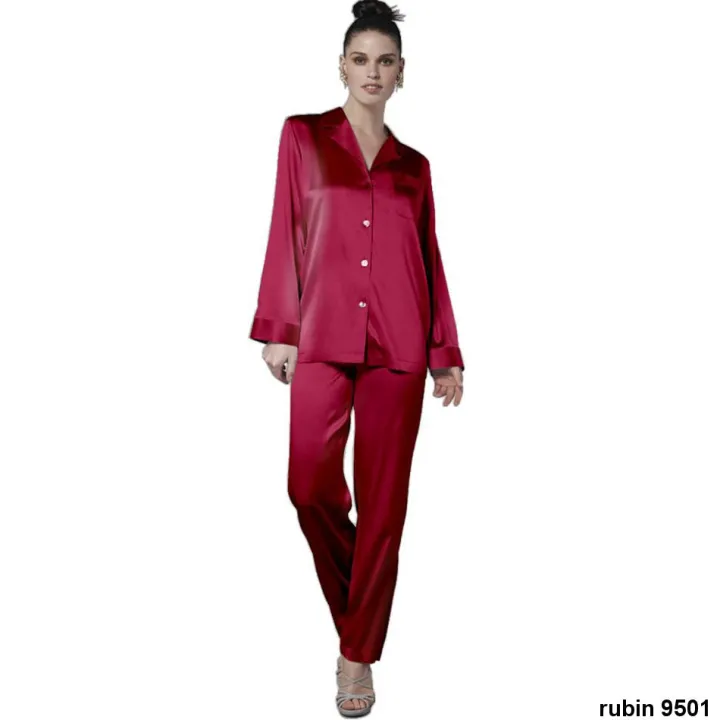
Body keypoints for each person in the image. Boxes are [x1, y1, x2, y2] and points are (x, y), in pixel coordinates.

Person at [248, 1, 464, 715]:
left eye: (386, 61)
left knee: (384, 509)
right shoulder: (303, 137)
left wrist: (444, 351)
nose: (373, 71)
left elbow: (428, 257)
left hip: (400, 346)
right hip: (319, 336)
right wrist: (280, 326)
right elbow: (285, 225)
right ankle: (360, 613)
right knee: (308, 487)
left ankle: (356, 656)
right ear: (341, 66)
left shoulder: (415, 167)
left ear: (403, 73)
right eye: (361, 59)